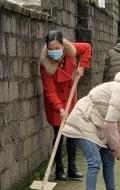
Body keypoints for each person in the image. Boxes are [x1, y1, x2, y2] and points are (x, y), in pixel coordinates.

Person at [39, 29, 91, 180]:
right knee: (59, 134)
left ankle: (72, 168)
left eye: (57, 48)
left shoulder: (71, 49)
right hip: (55, 104)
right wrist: (60, 108)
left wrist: (82, 66)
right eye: (51, 49)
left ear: (62, 45)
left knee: (72, 133)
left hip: (70, 98)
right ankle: (59, 170)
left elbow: (87, 48)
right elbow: (50, 91)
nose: (54, 51)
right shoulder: (45, 64)